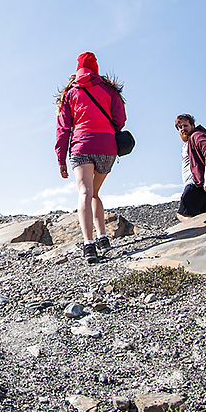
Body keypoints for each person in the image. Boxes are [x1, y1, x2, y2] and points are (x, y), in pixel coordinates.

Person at [55, 51, 126, 264]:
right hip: (107, 147)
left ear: (78, 69)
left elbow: (63, 129)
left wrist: (60, 158)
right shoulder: (109, 90)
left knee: (85, 192)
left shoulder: (70, 93)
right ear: (95, 67)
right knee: (95, 192)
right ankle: (103, 237)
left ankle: (89, 245)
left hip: (81, 145)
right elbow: (120, 120)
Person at [174, 114, 206, 221]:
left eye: (185, 125)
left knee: (183, 215)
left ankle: (196, 232)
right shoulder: (189, 142)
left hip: (198, 183)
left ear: (192, 125)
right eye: (180, 127)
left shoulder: (196, 136)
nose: (183, 129)